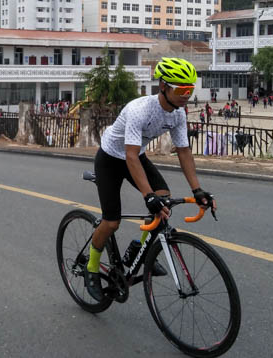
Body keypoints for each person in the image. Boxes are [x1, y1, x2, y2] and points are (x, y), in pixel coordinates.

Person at [83, 58, 215, 301]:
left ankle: (139, 251)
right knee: (111, 222)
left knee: (163, 201)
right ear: (163, 86)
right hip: (112, 158)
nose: (187, 95)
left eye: (191, 90)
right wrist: (147, 196)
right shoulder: (139, 110)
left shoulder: (177, 114)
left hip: (136, 156)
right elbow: (129, 155)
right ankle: (91, 268)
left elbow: (184, 151)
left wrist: (197, 190)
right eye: (182, 90)